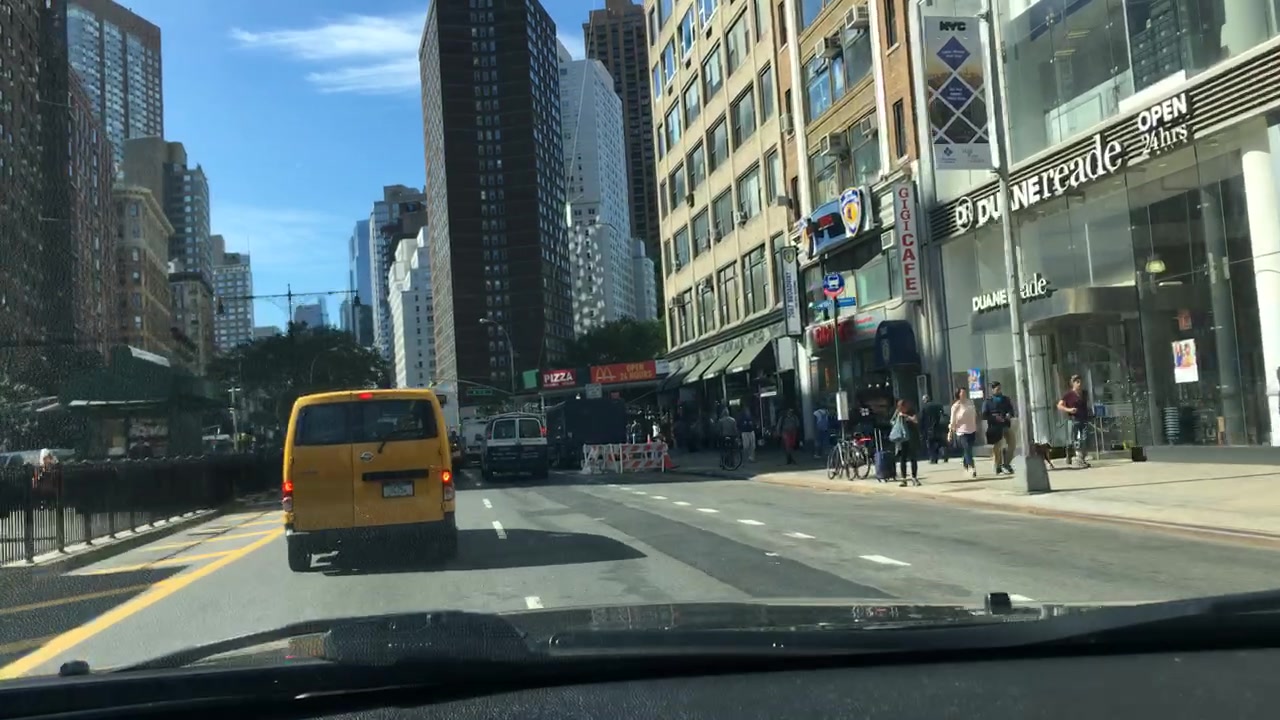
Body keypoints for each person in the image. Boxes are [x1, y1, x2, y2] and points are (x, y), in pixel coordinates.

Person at [1057, 374, 1093, 468]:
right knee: (1073, 440)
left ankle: (1081, 459)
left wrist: (1090, 413)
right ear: (1073, 383)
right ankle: (1070, 454)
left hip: (1084, 419)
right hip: (1073, 420)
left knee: (1084, 439)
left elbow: (1087, 404)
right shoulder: (1069, 395)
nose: (1079, 384)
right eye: (1077, 382)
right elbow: (1059, 405)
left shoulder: (1084, 393)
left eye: (1080, 382)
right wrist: (1069, 410)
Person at [981, 381, 1016, 475]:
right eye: (997, 389)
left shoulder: (1006, 399)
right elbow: (984, 415)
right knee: (997, 447)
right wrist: (995, 418)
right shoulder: (988, 401)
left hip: (1005, 424)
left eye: (1000, 388)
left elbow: (1011, 410)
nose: (999, 390)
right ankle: (998, 465)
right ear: (992, 390)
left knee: (1012, 443)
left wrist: (1009, 414)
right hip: (995, 427)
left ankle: (1006, 463)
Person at [889, 399, 921, 486]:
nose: (902, 409)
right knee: (902, 459)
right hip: (902, 438)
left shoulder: (911, 411)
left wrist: (906, 416)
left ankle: (914, 477)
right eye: (900, 407)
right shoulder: (897, 412)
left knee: (913, 458)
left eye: (903, 407)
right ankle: (904, 479)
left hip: (911, 437)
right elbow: (892, 421)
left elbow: (916, 420)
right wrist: (898, 421)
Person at [948, 387, 978, 478]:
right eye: (962, 393)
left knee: (968, 449)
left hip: (972, 429)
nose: (964, 394)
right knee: (967, 448)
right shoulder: (955, 406)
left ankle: (965, 465)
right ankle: (972, 467)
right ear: (958, 394)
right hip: (961, 431)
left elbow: (974, 414)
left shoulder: (970, 402)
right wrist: (950, 432)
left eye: (965, 392)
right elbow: (952, 420)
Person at [920, 394, 949, 464]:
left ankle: (934, 458)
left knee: (931, 444)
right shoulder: (938, 405)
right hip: (939, 426)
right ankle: (943, 452)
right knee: (940, 441)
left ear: (925, 400)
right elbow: (943, 414)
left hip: (929, 428)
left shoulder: (924, 407)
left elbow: (922, 419)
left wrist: (921, 430)